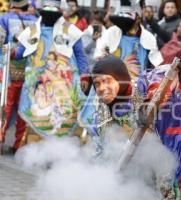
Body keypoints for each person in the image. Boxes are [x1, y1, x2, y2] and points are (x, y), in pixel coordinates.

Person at [79, 55, 181, 200]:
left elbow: (165, 73)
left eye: (107, 81)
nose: (102, 88)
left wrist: (149, 103)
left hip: (178, 156)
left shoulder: (141, 88)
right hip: (137, 163)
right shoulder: (102, 111)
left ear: (120, 77)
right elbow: (100, 150)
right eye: (97, 84)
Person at [13, 0, 88, 142]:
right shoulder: (32, 30)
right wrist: (9, 52)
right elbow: (19, 53)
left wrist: (84, 75)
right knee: (39, 113)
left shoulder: (70, 30)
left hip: (64, 83)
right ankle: (36, 148)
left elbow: (80, 55)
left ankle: (61, 150)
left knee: (62, 115)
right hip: (39, 83)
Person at [0, 0, 37, 153]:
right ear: (26, 6)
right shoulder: (35, 22)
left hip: (8, 69)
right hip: (30, 71)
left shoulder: (4, 18)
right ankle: (19, 145)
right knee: (24, 108)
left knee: (5, 107)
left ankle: (0, 139)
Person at [93, 8, 163, 77]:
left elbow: (155, 61)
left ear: (137, 23)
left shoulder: (148, 37)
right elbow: (100, 53)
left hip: (139, 80)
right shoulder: (111, 33)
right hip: (114, 77)